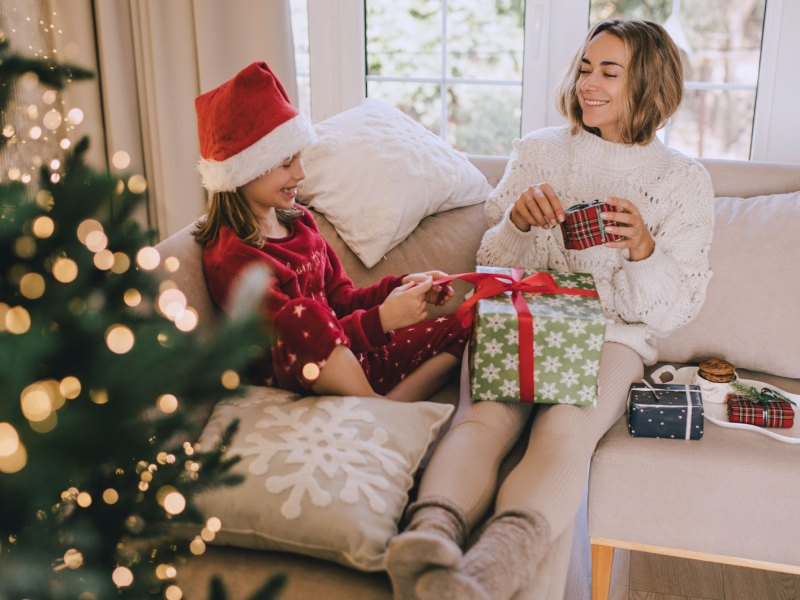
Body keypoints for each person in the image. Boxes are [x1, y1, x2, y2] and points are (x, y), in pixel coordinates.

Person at [386, 18, 714, 600]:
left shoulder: (683, 181)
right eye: (586, 68)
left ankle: (491, 568)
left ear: (650, 84)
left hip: (615, 333)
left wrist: (641, 248)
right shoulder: (537, 151)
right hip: (525, 309)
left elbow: (675, 306)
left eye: (609, 72)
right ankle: (429, 538)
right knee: (481, 421)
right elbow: (493, 260)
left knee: (565, 433)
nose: (589, 83)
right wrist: (516, 223)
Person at [193, 61, 470, 401]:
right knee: (305, 317)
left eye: (299, 159)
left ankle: (387, 407)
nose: (301, 173)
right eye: (285, 164)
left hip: (354, 350)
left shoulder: (299, 221)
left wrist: (400, 288)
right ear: (242, 172)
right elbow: (288, 335)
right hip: (301, 372)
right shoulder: (233, 256)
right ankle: (374, 407)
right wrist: (381, 321)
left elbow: (342, 299)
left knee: (466, 323)